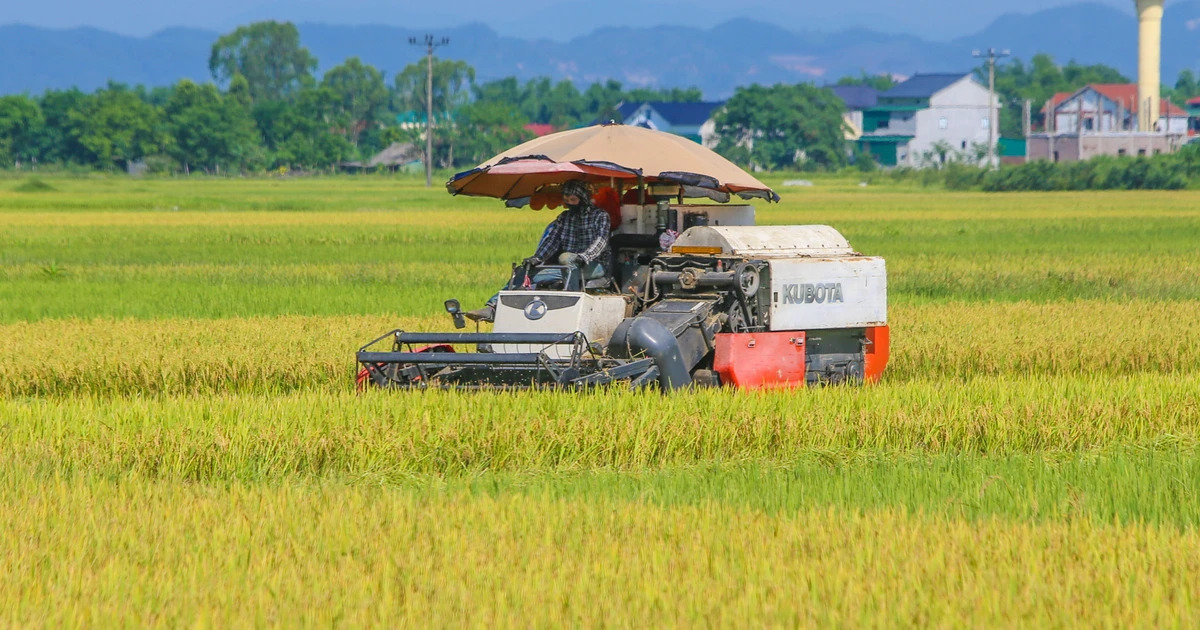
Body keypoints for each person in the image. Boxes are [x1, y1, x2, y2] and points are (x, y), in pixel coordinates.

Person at [466, 179, 612, 322]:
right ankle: (493, 307)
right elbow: (552, 241)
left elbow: (601, 241)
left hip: (594, 264)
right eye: (566, 200)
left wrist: (584, 256)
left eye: (573, 200)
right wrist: (537, 258)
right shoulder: (564, 218)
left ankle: (571, 306)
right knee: (525, 272)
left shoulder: (600, 216)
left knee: (566, 258)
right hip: (568, 267)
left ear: (583, 199)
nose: (569, 204)